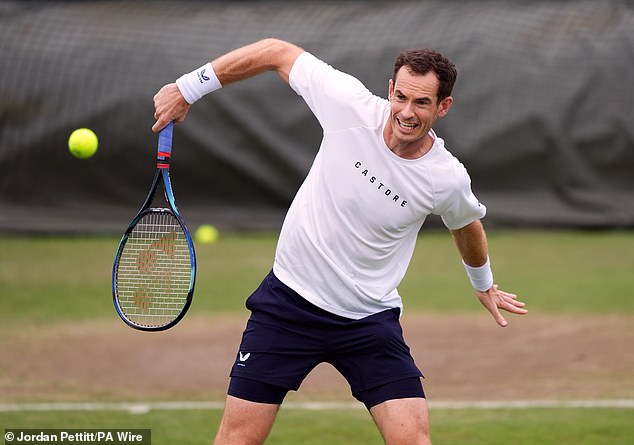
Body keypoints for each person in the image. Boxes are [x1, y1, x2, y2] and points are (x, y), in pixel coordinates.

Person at [152, 38, 527, 445]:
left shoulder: (446, 178)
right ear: (389, 89)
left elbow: (467, 223)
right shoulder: (347, 105)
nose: (405, 112)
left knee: (412, 441)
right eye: (400, 97)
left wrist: (482, 282)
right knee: (236, 440)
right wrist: (188, 88)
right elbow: (276, 52)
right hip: (287, 307)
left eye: (421, 103)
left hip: (368, 321)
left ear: (443, 107)